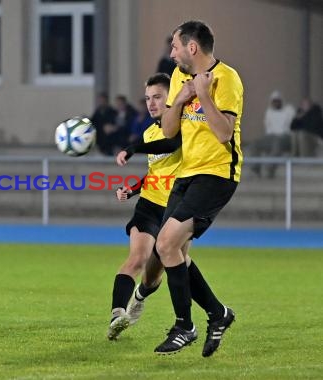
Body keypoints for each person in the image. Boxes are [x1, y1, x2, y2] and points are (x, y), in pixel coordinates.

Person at [107, 73, 226, 344]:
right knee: (136, 258)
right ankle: (116, 315)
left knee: (155, 277)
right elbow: (155, 172)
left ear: (171, 98)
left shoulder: (187, 126)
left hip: (175, 210)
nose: (151, 103)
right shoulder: (150, 131)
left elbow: (171, 144)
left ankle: (140, 297)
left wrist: (134, 146)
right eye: (147, 98)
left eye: (158, 97)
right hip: (148, 205)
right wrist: (132, 189)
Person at [156, 20, 243, 356]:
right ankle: (219, 313)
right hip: (187, 172)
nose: (171, 53)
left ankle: (184, 326)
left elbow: (223, 133)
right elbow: (167, 131)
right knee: (173, 252)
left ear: (192, 47)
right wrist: (178, 101)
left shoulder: (228, 78)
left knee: (165, 243)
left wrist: (204, 95)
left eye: (175, 46)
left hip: (218, 173)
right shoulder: (179, 76)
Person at [249, 91, 295, 177]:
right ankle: (255, 167)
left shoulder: (289, 110)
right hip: (271, 137)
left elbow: (290, 126)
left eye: (278, 101)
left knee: (276, 142)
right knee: (255, 143)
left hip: (285, 137)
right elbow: (268, 128)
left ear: (281, 101)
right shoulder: (269, 112)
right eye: (274, 101)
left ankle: (270, 168)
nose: (276, 103)